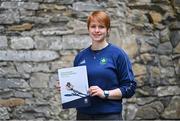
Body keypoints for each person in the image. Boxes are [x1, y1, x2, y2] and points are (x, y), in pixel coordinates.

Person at [57, 11, 136, 120]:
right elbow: (78, 88)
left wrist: (105, 93)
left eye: (101, 27)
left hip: (109, 116)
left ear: (108, 30)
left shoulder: (118, 54)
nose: (97, 30)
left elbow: (129, 87)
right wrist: (67, 87)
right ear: (88, 29)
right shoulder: (80, 57)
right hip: (83, 116)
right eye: (93, 26)